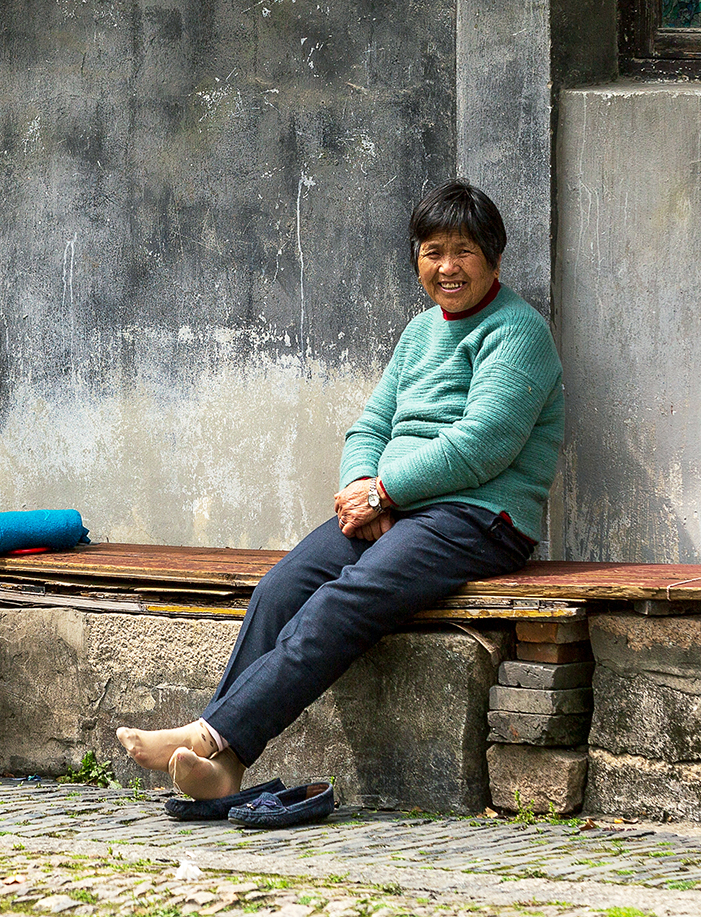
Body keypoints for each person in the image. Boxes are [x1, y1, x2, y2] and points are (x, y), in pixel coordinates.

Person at [116, 180, 564, 801]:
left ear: (494, 257)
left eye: (463, 251)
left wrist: (385, 493)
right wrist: (360, 485)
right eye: (433, 252)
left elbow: (484, 442)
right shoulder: (420, 331)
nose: (447, 267)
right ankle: (226, 769)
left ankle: (212, 734)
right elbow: (372, 424)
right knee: (279, 589)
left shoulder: (518, 331)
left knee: (339, 601)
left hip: (479, 517)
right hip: (396, 505)